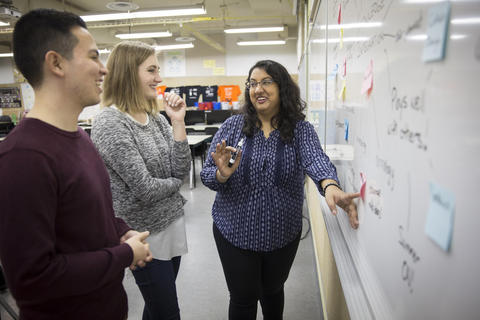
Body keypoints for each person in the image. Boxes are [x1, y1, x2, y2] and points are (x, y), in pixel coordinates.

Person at [0, 9, 152, 320]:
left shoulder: (78, 136)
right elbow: (32, 280)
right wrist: (123, 254)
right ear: (55, 63)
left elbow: (89, 214)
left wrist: (120, 232)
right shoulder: (24, 158)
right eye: (95, 57)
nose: (104, 70)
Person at [200, 60, 360, 320]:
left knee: (273, 292)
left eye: (266, 82)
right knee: (242, 299)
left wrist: (330, 185)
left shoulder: (300, 130)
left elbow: (315, 159)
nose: (257, 89)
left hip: (281, 236)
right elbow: (207, 174)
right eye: (252, 83)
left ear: (282, 87)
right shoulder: (233, 127)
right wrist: (222, 174)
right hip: (234, 232)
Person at [91, 41, 191, 320]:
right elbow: (145, 189)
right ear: (127, 73)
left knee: (157, 309)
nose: (159, 78)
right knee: (168, 312)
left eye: (158, 69)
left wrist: (178, 122)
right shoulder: (110, 123)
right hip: (143, 237)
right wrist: (174, 184)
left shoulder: (155, 118)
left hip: (171, 224)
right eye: (151, 70)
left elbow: (180, 168)